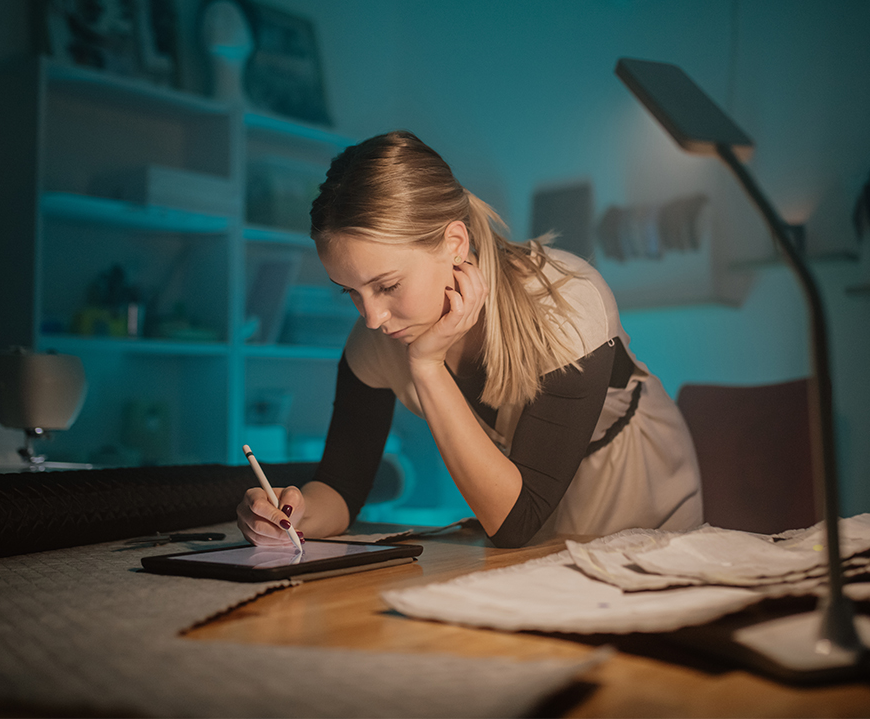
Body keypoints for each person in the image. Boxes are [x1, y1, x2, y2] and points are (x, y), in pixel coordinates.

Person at [237, 130, 702, 548]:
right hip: (517, 506)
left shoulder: (567, 303)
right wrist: (292, 514)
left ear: (454, 244)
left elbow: (516, 521)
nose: (374, 318)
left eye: (387, 285)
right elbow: (341, 486)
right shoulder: (375, 341)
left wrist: (425, 366)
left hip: (631, 487)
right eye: (351, 292)